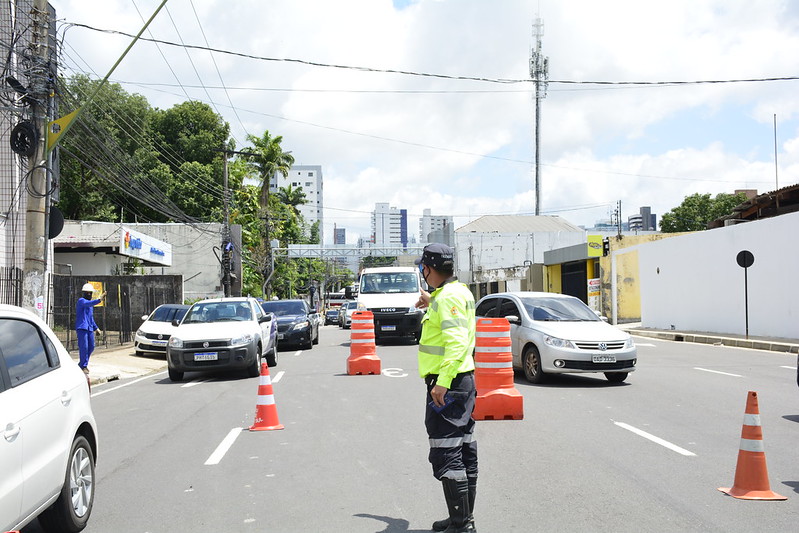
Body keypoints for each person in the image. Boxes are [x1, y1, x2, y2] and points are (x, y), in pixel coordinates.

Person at [414, 243, 478, 533]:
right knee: (463, 449)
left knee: (447, 451)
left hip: (448, 383)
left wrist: (441, 382)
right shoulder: (457, 292)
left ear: (428, 269)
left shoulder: (448, 297)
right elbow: (454, 326)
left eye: (422, 267)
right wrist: (432, 302)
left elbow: (455, 341)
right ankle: (459, 519)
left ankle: (463, 525)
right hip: (461, 381)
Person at [76, 282, 105, 373]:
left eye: (90, 293)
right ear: (84, 293)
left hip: (89, 328)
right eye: (88, 293)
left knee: (91, 346)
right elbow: (88, 303)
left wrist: (96, 328)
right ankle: (83, 365)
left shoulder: (90, 305)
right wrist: (99, 299)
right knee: (84, 347)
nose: (89, 294)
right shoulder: (81, 301)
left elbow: (91, 318)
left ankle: (82, 363)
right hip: (82, 328)